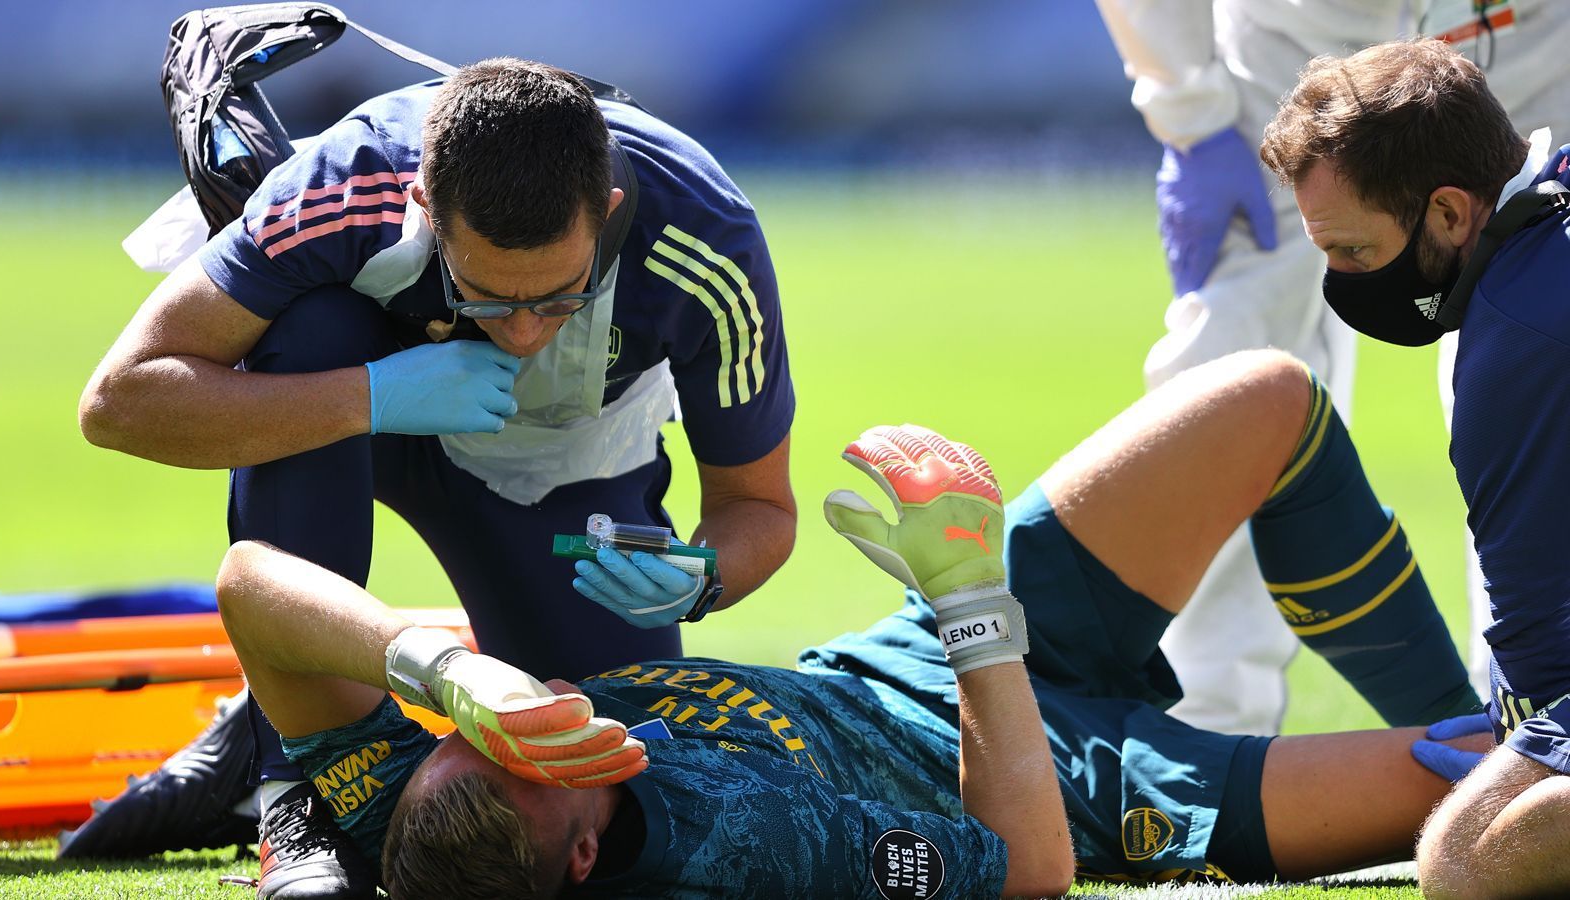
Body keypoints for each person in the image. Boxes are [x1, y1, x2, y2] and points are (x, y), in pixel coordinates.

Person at [213, 349, 1489, 898]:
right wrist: (975, 606)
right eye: (549, 759)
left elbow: (253, 585)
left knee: (1267, 396)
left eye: (491, 734)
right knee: (1491, 799)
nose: (542, 721)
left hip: (897, 657)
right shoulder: (732, 848)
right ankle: (1513, 726)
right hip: (1063, 779)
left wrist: (442, 670)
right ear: (592, 857)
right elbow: (1028, 869)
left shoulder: (418, 823)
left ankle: (1501, 703)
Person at [72, 57, 796, 896]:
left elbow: (759, 509)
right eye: (486, 295)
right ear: (420, 203)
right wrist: (370, 394)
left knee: (590, 783)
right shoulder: (346, 181)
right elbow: (119, 400)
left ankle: (271, 716)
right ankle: (290, 793)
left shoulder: (707, 238)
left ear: (609, 212)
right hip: (352, 422)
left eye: (561, 296)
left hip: (561, 475)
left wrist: (702, 580)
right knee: (310, 326)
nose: (522, 334)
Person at [1091, 0, 1570, 737]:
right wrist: (1187, 107)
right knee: (1229, 362)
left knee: (1532, 360)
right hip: (1296, 47)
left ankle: (1525, 709)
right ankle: (1208, 728)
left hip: (1540, 42)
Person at [1256, 38, 1570, 895]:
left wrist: (1522, 742)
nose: (1342, 281)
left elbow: (1546, 650)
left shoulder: (1518, 340)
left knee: (1464, 860)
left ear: (1448, 214)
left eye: (1354, 252)